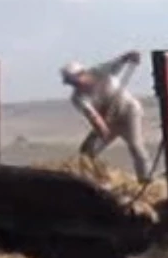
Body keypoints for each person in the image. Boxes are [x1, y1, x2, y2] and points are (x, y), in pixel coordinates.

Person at [61, 50, 151, 182]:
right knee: (87, 152)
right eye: (71, 83)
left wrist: (130, 56)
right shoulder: (78, 98)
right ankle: (94, 181)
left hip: (129, 112)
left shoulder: (99, 71)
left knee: (136, 146)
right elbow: (94, 117)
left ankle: (145, 180)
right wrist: (102, 131)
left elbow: (119, 61)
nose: (74, 85)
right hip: (108, 119)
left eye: (74, 81)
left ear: (83, 74)